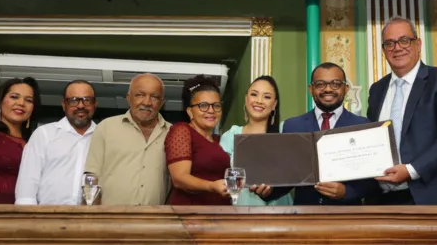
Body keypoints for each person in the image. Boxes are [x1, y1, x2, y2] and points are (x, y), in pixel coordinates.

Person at [366, 17, 437, 205]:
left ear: (418, 44)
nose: (397, 48)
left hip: (434, 197)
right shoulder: (377, 90)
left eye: (404, 40)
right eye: (389, 43)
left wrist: (412, 170)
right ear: (383, 50)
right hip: (383, 200)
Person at [260, 62, 377, 205]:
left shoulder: (362, 126)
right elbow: (288, 178)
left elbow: (373, 181)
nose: (328, 89)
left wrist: (346, 192)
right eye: (320, 84)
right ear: (311, 89)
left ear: (346, 88)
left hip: (347, 218)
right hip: (304, 218)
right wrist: (267, 191)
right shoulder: (293, 126)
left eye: (335, 84)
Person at [84, 73, 170, 205]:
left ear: (162, 103)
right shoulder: (106, 127)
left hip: (155, 220)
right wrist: (91, 215)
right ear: (128, 98)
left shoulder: (173, 133)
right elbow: (91, 176)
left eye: (154, 97)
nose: (147, 102)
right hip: (111, 219)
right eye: (140, 95)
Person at [15, 80, 97, 205]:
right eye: (73, 100)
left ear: (95, 104)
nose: (81, 105)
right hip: (48, 219)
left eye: (87, 100)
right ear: (64, 104)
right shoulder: (44, 134)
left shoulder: (103, 137)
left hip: (90, 219)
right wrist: (28, 220)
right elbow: (27, 184)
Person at [219, 75, 292, 206]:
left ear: (274, 104)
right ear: (246, 99)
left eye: (267, 97)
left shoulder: (285, 131)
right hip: (241, 214)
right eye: (254, 94)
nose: (259, 101)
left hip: (280, 213)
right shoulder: (231, 136)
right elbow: (221, 180)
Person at [165, 75, 231, 205]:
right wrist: (211, 186)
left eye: (216, 106)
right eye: (203, 105)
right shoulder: (182, 131)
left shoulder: (220, 140)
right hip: (190, 214)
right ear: (190, 111)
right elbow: (179, 178)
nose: (211, 111)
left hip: (220, 214)